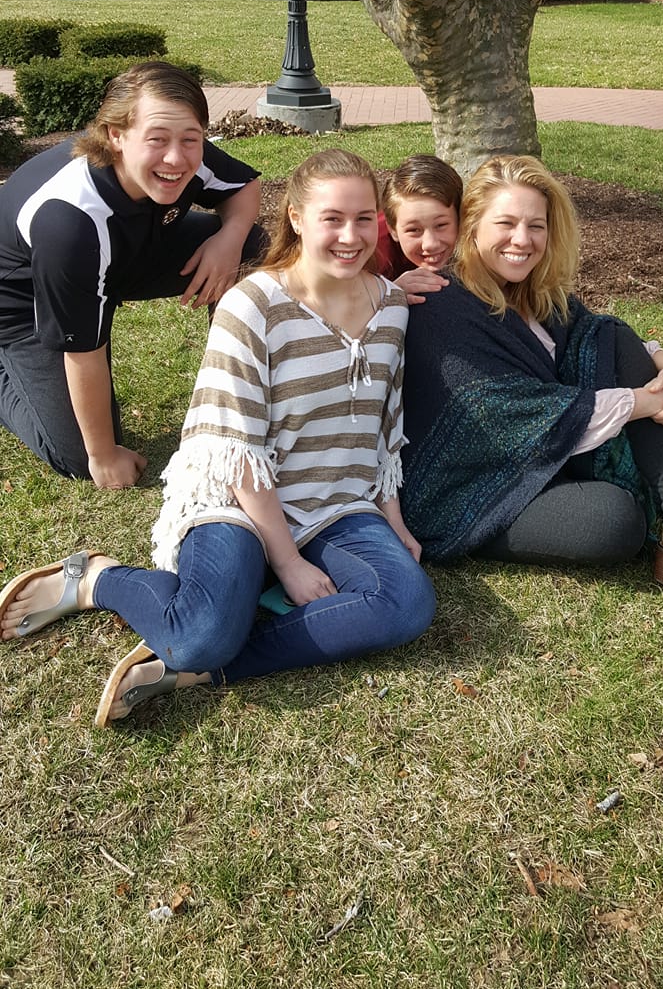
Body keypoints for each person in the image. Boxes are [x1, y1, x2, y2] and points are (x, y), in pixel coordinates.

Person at [0, 148, 436, 725]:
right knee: (203, 632)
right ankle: (97, 580)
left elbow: (384, 431)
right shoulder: (252, 305)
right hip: (236, 500)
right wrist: (289, 564)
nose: (350, 236)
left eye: (362, 219)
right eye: (332, 218)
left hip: (335, 503)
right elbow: (241, 454)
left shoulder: (391, 310)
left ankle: (205, 666)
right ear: (298, 219)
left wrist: (394, 520)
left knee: (407, 605)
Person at [400, 154, 663, 612]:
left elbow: (603, 334)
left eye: (536, 226)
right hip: (468, 487)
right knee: (614, 521)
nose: (523, 240)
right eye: (506, 224)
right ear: (472, 227)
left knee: (608, 336)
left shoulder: (537, 294)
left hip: (546, 456)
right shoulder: (441, 302)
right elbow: (500, 412)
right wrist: (640, 401)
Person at [0, 60, 264, 489]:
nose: (176, 158)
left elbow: (243, 188)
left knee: (254, 247)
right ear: (116, 136)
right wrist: (103, 456)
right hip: (23, 294)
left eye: (190, 139)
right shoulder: (69, 222)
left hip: (125, 254)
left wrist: (229, 240)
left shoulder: (179, 146)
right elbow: (82, 352)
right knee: (78, 454)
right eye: (157, 140)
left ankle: (238, 394)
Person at [376, 154, 462, 303]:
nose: (430, 244)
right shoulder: (373, 252)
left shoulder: (479, 237)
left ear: (461, 219)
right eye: (414, 230)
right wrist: (388, 293)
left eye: (441, 225)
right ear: (393, 230)